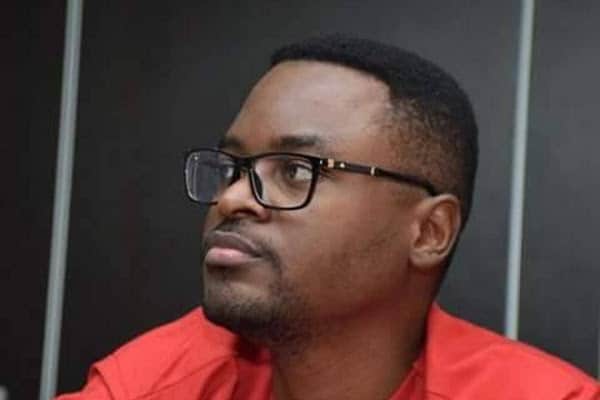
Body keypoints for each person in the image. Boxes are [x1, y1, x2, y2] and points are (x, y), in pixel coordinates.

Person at [57, 35, 599, 400]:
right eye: (233, 167)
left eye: (296, 171)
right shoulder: (160, 381)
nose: (232, 199)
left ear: (429, 232)